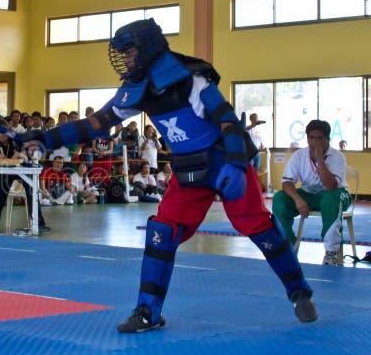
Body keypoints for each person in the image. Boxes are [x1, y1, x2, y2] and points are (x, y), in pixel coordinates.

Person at [22, 18, 317, 332]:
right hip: (188, 168)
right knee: (161, 232)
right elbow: (97, 123)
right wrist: (45, 139)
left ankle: (298, 290)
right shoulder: (137, 87)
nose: (127, 59)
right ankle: (148, 311)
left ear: (148, 48)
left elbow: (228, 121)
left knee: (257, 225)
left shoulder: (192, 79)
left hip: (222, 159)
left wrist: (234, 162)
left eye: (131, 52)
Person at [272, 120, 350, 266]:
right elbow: (287, 182)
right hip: (308, 194)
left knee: (331, 198)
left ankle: (331, 253)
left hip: (335, 194)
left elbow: (331, 186)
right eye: (311, 138)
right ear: (307, 138)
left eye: (319, 138)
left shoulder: (337, 157)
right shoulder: (299, 156)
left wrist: (320, 157)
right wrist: (297, 199)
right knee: (279, 199)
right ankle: (288, 247)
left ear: (328, 139)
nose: (314, 142)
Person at [0, 128, 49, 233]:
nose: (1, 135)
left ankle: (39, 224)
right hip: (7, 171)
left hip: (23, 169)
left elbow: (23, 156)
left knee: (32, 192)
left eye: (3, 132)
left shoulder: (16, 140)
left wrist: (10, 158)